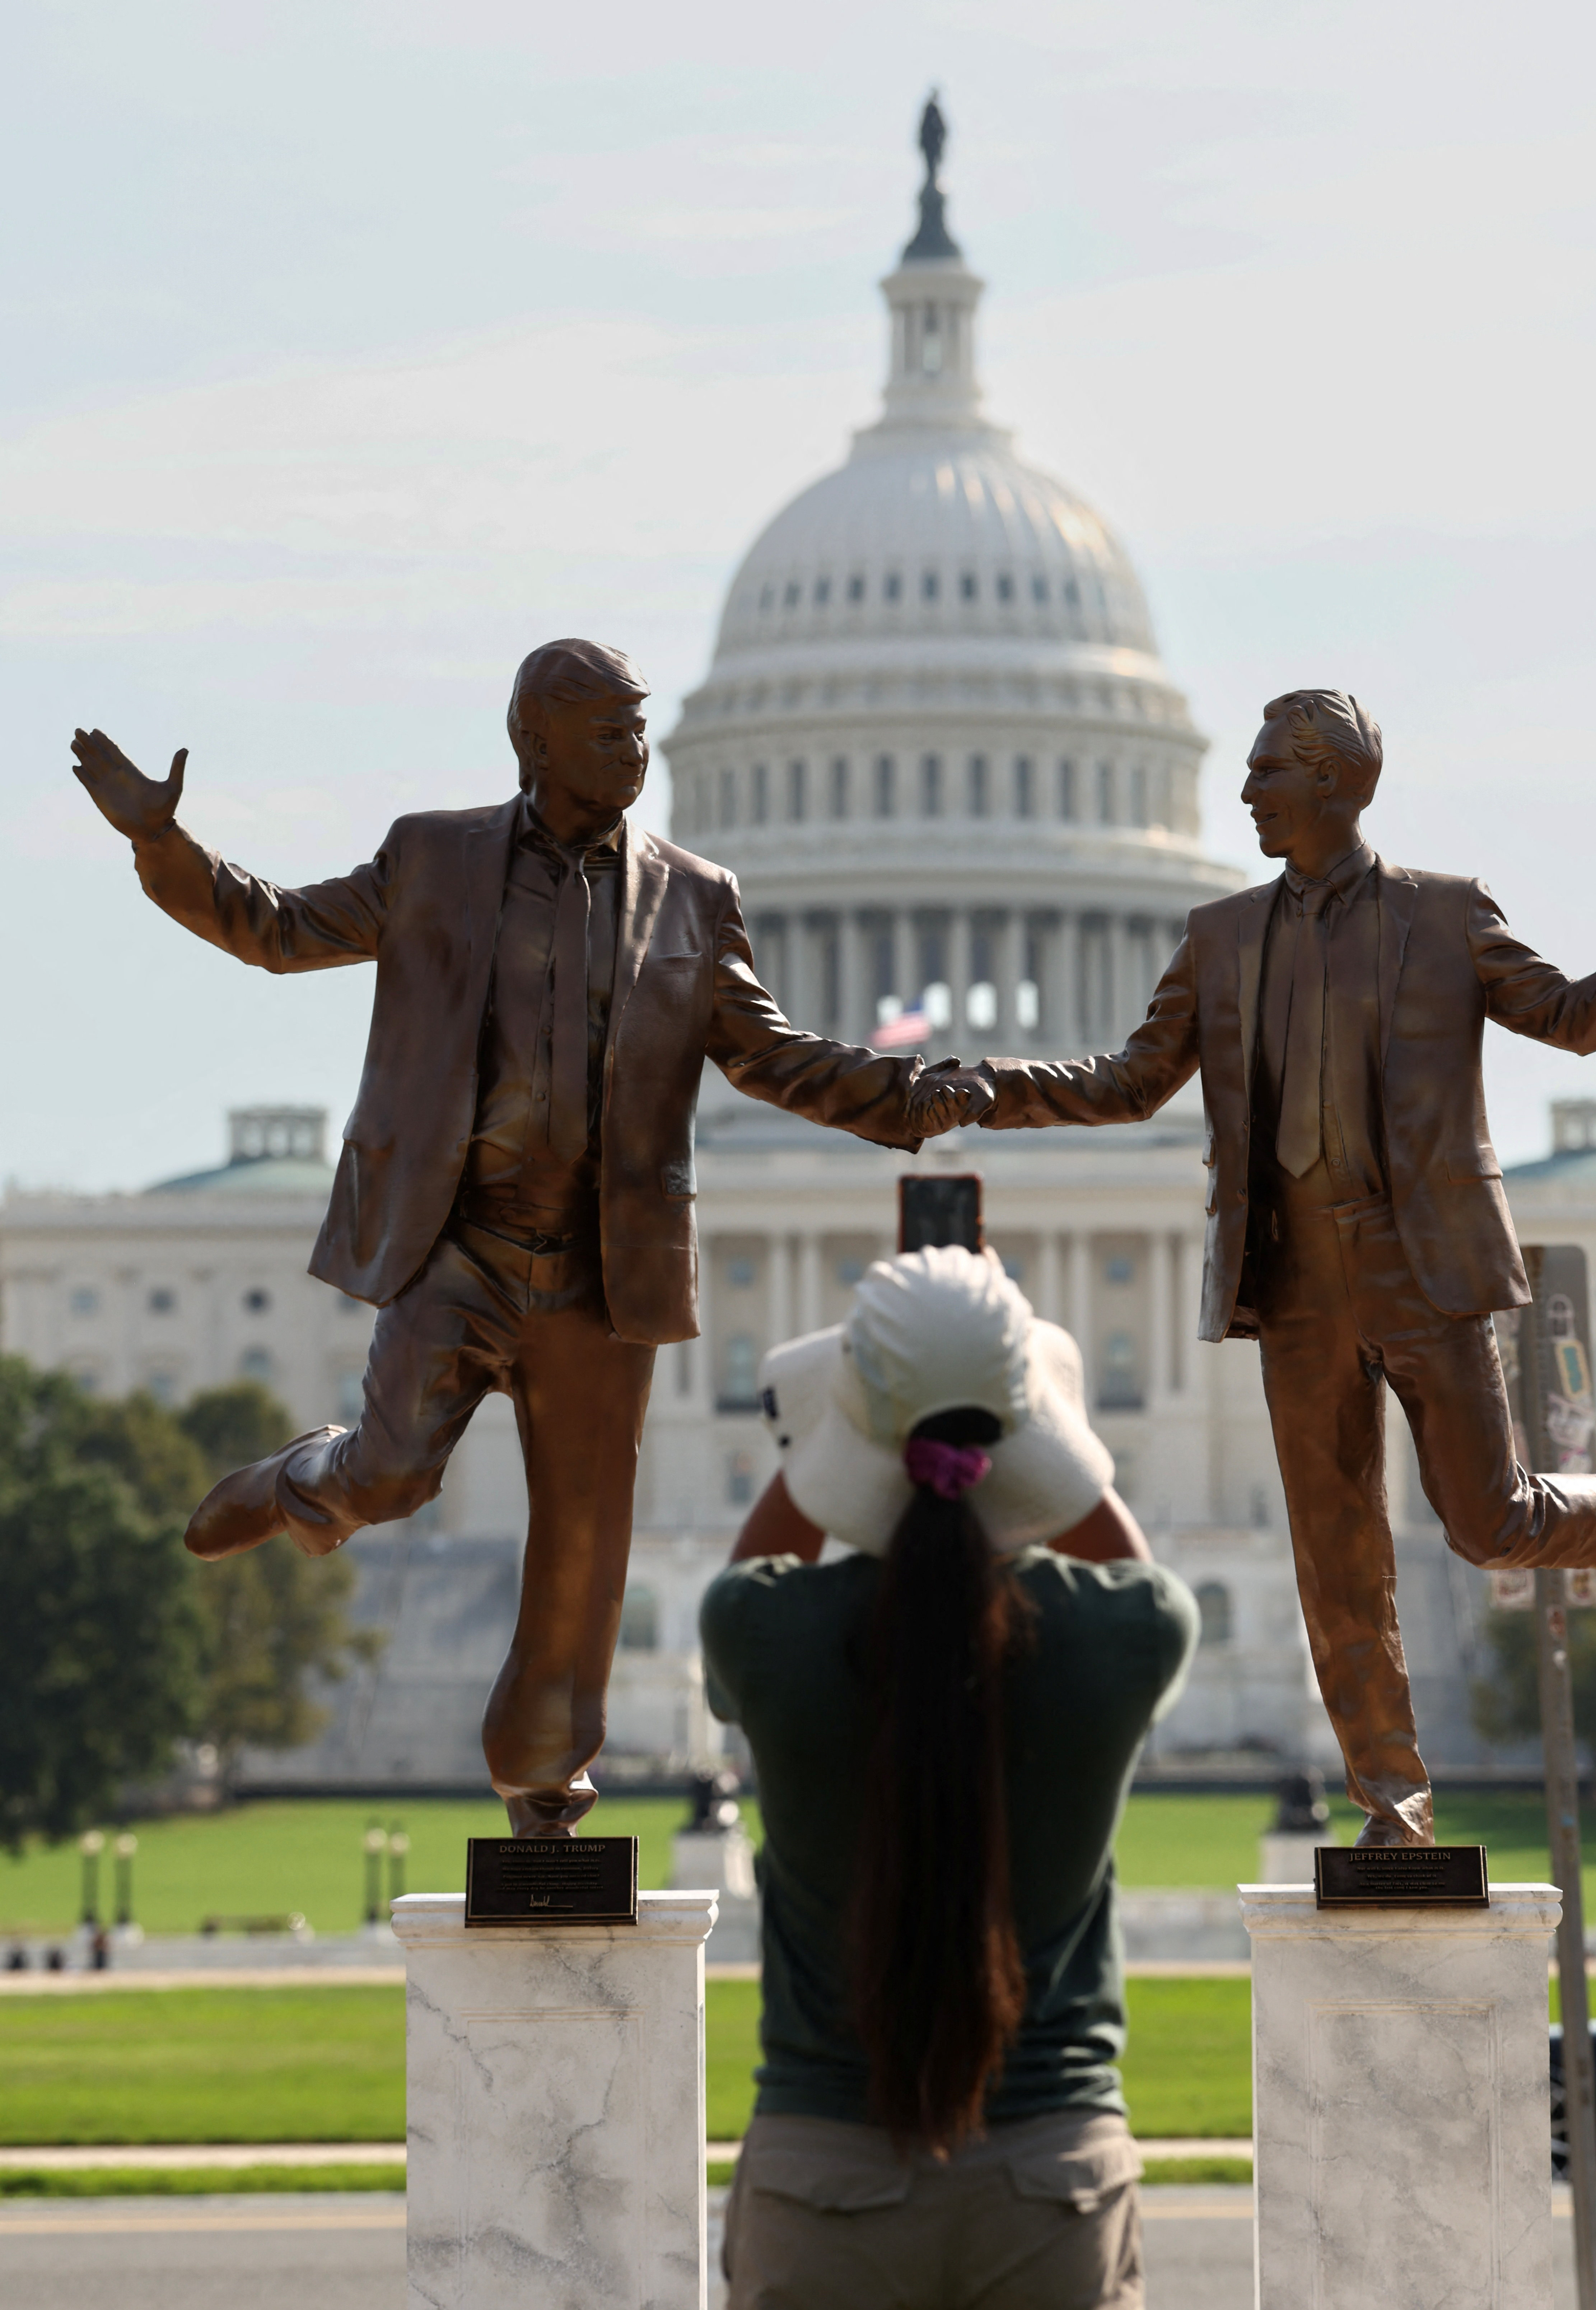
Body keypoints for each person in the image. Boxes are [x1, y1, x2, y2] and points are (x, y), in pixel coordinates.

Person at [69, 644, 961, 1836]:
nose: (634, 755)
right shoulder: (433, 857)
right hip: (461, 1239)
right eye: (607, 734)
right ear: (533, 743)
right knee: (391, 1476)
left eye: (642, 733)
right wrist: (162, 848)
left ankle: (543, 1770)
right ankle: (301, 1481)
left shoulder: (693, 893)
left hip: (604, 1264)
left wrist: (909, 1100)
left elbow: (769, 1054)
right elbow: (276, 930)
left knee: (586, 1537)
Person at [926, 689, 1596, 1848]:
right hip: (1294, 1283)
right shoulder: (1221, 937)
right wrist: (995, 1086)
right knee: (1337, 1565)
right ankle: (1394, 1800)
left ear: (1334, 781)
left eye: (1268, 771)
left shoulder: (1444, 917)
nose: (1244, 795)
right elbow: (1130, 1082)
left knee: (1490, 1524)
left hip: (1421, 1264)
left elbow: (1573, 1018)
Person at [700, 1247, 1198, 2310]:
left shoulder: (770, 1640)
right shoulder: (1118, 1643)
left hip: (827, 2179)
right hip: (1047, 2186)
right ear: (1025, 1425)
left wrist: (840, 1438)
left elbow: (758, 1571)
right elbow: (1132, 1571)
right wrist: (1037, 1426)